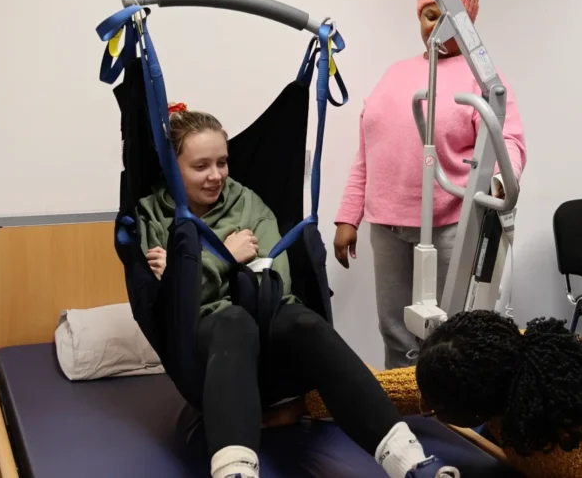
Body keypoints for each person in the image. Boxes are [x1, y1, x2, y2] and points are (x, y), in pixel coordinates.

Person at [136, 103, 460, 478]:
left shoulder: (248, 203)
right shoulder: (153, 216)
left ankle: (409, 462)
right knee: (233, 321)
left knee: (304, 321)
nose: (216, 176)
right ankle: (234, 473)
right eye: (200, 166)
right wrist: (230, 257)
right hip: (205, 343)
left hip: (269, 324)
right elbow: (173, 298)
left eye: (222, 162)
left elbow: (273, 280)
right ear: (173, 169)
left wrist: (198, 268)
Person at [333, 0, 527, 369]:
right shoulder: (395, 73)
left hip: (450, 222)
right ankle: (404, 400)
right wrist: (348, 216)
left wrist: (498, 180)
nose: (435, 27)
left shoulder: (483, 77)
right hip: (386, 223)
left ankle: (444, 408)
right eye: (429, 15)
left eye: (448, 17)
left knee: (445, 330)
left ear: (468, 23)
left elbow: (509, 140)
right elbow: (367, 151)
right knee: (395, 326)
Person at [302, 310, 582, 477]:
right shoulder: (506, 352)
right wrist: (307, 403)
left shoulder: (573, 441)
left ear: (476, 404)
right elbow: (401, 388)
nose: (426, 411)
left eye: (435, 409)